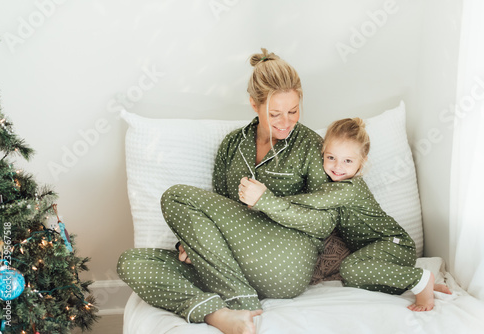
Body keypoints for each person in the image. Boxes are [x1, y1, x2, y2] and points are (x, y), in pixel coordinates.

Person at [117, 48, 331, 334]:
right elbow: (218, 211)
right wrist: (191, 244)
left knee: (176, 196)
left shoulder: (310, 145)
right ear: (255, 105)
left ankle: (240, 301)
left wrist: (268, 202)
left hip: (286, 263)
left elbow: (325, 221)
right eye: (275, 113)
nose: (286, 122)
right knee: (131, 263)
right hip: (233, 263)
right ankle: (219, 314)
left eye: (293, 111)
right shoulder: (232, 145)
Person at [239, 117, 452, 313]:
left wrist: (264, 201)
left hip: (395, 244)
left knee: (350, 268)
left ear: (362, 162)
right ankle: (420, 284)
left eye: (348, 161)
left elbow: (313, 201)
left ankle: (421, 280)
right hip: (376, 253)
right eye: (331, 157)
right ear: (323, 154)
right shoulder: (333, 184)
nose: (337, 167)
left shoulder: (350, 188)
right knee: (355, 278)